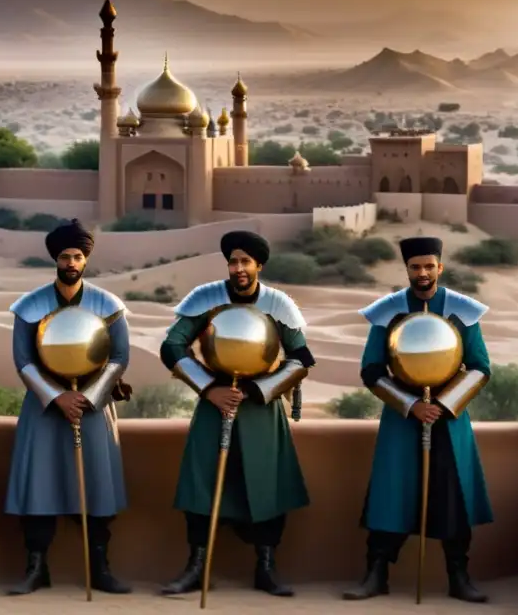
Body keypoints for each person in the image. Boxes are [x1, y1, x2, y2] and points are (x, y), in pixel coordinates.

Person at [159, 230, 314, 598]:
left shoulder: (279, 303)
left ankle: (266, 567)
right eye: (233, 261)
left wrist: (258, 390)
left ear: (259, 265)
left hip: (261, 408)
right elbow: (172, 345)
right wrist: (209, 389)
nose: (239, 268)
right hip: (215, 404)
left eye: (246, 261)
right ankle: (196, 566)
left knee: (268, 486)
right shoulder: (205, 298)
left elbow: (301, 358)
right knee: (202, 485)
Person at [343, 236, 493, 604]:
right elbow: (372, 370)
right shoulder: (388, 311)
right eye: (415, 267)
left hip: (450, 417)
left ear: (440, 268)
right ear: (407, 269)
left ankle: (459, 576)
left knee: (452, 495)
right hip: (402, 417)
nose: (422, 273)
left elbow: (479, 368)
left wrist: (443, 405)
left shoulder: (462, 310)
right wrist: (411, 406)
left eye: (429, 266)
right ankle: (376, 574)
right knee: (390, 494)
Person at [4, 219, 133, 596]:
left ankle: (100, 568)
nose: (71, 262)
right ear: (55, 260)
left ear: (85, 259)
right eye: (65, 256)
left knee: (95, 486)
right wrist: (58, 397)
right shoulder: (30, 307)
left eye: (78, 256)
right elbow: (23, 361)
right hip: (44, 408)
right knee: (39, 488)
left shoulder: (108, 306)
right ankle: (36, 568)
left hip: (93, 405)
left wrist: (88, 398)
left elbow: (119, 358)